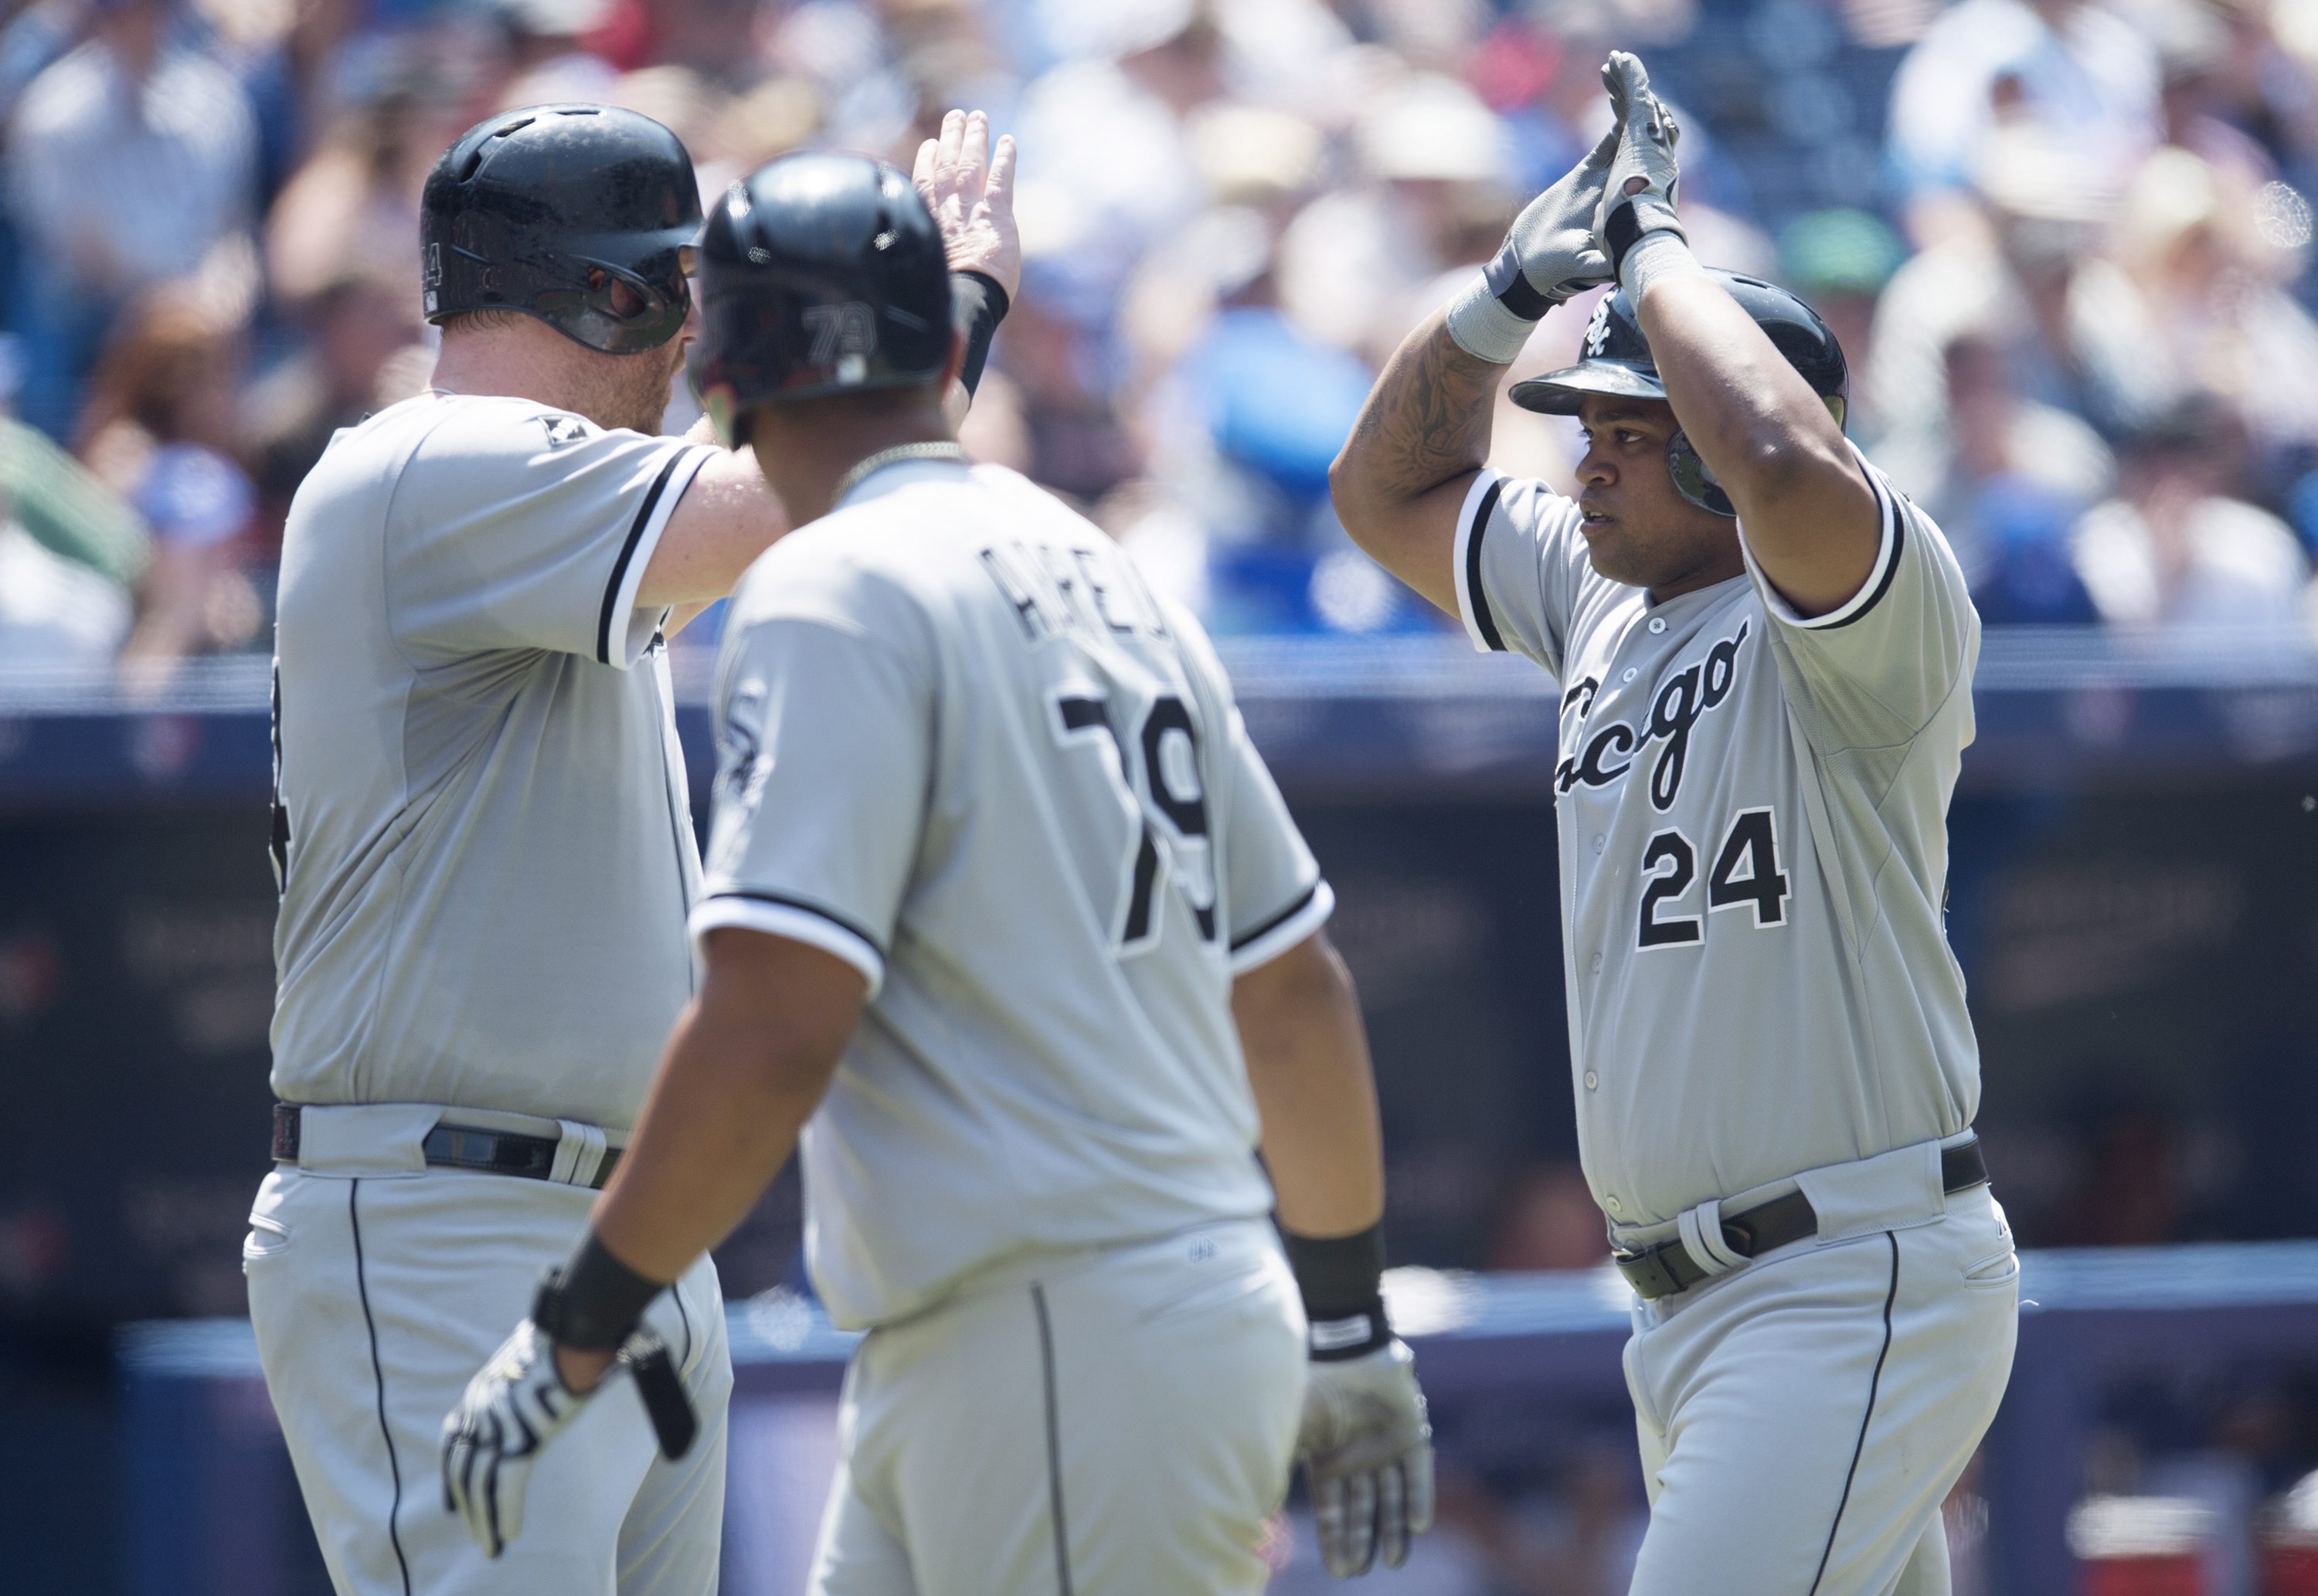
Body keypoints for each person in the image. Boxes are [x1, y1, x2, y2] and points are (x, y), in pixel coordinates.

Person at [440, 148, 1435, 1594]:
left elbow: (774, 1024)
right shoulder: (1099, 560)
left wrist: (575, 1323)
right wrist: (1346, 1317)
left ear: (736, 368)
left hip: (1053, 1324)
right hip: (1105, 1318)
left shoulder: (836, 580)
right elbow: (1292, 986)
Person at [246, 103, 1020, 1596]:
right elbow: (813, 492)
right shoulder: (433, 463)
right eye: (689, 296)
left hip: (613, 1231)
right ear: (619, 294)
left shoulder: (530, 501)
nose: (704, 345)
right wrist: (957, 303)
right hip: (445, 1230)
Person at [1330, 54, 2017, 1594]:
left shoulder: (1875, 613)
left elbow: (1784, 458)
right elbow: (1383, 493)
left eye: (1630, 430)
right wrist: (1514, 287)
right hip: (1692, 1309)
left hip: (1846, 1276)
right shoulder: (1597, 595)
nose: (1586, 452)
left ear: (1709, 446)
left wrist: (1657, 244)